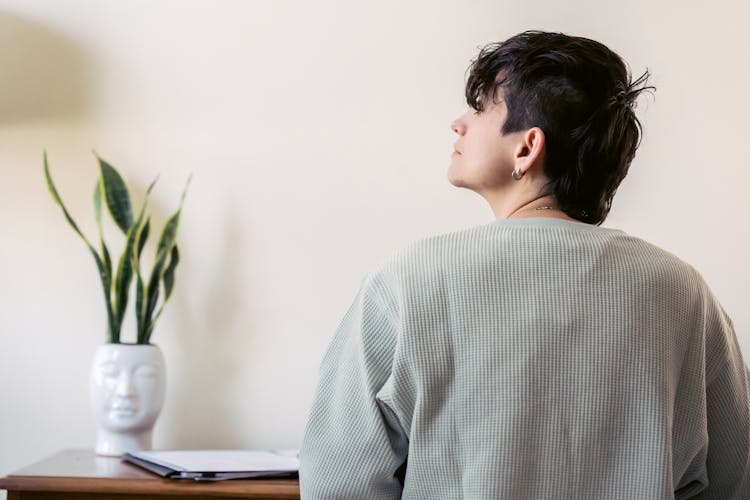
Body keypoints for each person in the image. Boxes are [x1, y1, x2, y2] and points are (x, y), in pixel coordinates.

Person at [299, 30, 750, 499]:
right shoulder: (679, 289)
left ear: (526, 148)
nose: (459, 124)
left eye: (479, 109)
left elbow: (339, 482)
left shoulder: (409, 280)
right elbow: (734, 478)